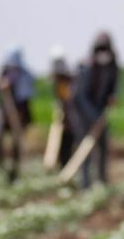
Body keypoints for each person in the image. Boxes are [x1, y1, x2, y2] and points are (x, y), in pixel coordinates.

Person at [71, 32, 119, 188]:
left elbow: (113, 87)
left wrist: (112, 96)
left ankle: (102, 182)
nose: (103, 54)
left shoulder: (112, 66)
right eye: (100, 49)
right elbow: (80, 96)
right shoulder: (87, 67)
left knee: (103, 147)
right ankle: (85, 185)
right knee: (85, 149)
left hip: (101, 112)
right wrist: (93, 116)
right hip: (84, 113)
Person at [0, 47, 35, 182]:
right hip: (4, 108)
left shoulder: (24, 75)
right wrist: (1, 85)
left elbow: (26, 96)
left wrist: (21, 113)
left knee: (16, 141)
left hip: (18, 111)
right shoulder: (3, 72)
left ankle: (15, 167)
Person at [50, 49, 78, 169]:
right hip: (63, 117)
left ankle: (68, 166)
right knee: (62, 143)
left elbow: (71, 100)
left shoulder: (70, 80)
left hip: (71, 117)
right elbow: (59, 98)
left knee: (69, 141)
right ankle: (62, 165)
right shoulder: (58, 81)